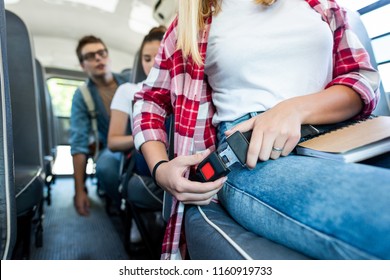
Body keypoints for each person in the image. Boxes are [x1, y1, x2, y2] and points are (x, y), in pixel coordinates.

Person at [132, 0, 390, 260]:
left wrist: (294, 110)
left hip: (341, 131)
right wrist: (160, 169)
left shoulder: (321, 5)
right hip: (250, 152)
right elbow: (149, 100)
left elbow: (361, 78)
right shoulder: (192, 21)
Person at [70, 35, 127, 216]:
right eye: (90, 56)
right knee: (106, 167)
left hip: (143, 139)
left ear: (108, 56)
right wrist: (79, 191)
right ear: (82, 65)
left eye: (102, 53)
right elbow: (79, 143)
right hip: (112, 148)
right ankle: (128, 211)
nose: (98, 58)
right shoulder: (82, 96)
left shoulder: (129, 81)